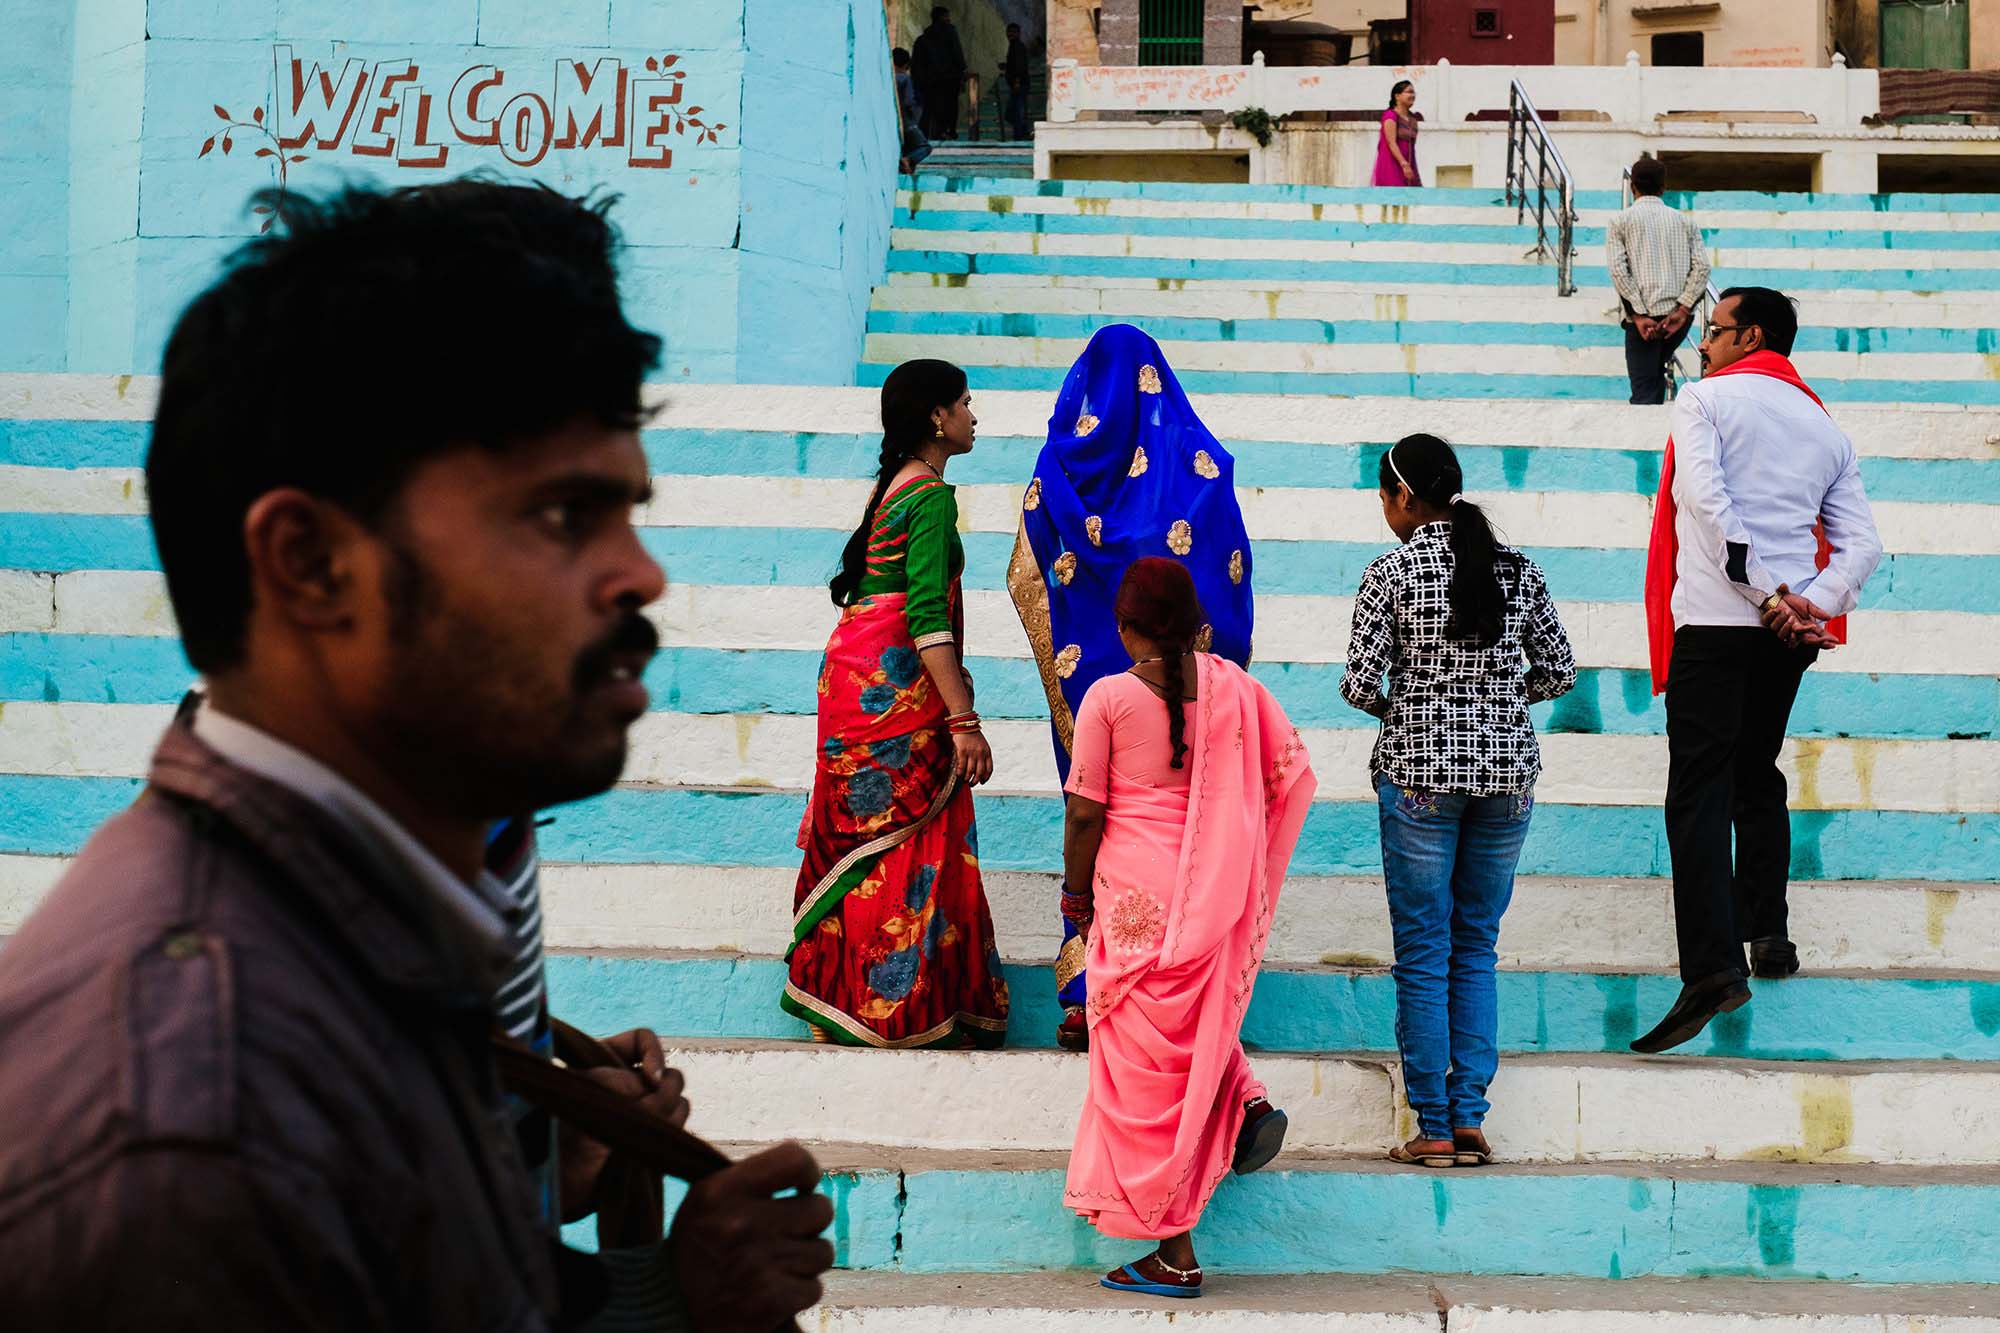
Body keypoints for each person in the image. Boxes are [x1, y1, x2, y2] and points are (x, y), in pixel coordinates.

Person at [0, 182, 835, 1331]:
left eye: (627, 511)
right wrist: (672, 1307)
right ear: (309, 563)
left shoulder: (368, 937)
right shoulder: (190, 1126)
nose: (641, 575)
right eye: (559, 516)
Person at [1633, 287, 1883, 1054]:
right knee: (1755, 770)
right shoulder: (1824, 425)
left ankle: (1712, 967)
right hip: (1784, 635)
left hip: (1718, 618)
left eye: (1713, 331)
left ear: (1753, 336)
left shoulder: (1705, 401)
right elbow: (1862, 546)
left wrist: (1765, 591)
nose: (1701, 344)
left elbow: (1705, 506)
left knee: (1700, 787)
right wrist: (1809, 602)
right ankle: (1768, 931)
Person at [1063, 558, 1314, 1299]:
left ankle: (1175, 1250)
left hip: (1134, 908)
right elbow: (1294, 775)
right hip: (1212, 904)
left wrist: (1074, 894)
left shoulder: (1106, 696)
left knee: (1147, 1080)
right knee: (1195, 1042)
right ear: (1192, 619)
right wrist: (1242, 857)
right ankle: (1245, 1098)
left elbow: (1084, 812)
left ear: (1125, 624)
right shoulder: (1236, 687)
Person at [1008, 324, 1255, 1052]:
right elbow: (1228, 575)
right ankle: (1175, 994)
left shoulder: (1058, 467)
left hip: (1090, 681)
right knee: (1177, 834)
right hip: (1183, 685)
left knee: (1094, 816)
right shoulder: (1200, 466)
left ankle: (1089, 986)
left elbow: (1028, 567)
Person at [1342, 434, 1576, 1170]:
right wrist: (1502, 701)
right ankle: (1471, 1116)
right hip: (1507, 775)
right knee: (1475, 942)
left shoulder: (1392, 572)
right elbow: (1559, 670)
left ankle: (1434, 1124)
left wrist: (1407, 709)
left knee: (1423, 947)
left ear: (1406, 497)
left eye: (1385, 496)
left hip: (1418, 776)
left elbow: (1357, 683)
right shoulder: (1518, 569)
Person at [783, 358, 1010, 1049]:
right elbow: (925, 619)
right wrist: (963, 720)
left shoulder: (896, 489)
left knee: (874, 838)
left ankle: (841, 1004)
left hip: (853, 684)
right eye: (966, 403)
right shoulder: (932, 497)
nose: (975, 415)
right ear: (938, 417)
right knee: (910, 833)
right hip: (894, 693)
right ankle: (893, 1011)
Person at [1606, 156, 1711, 405]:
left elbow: (1619, 271)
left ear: (1633, 187)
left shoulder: (1619, 221)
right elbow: (1702, 268)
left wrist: (1640, 315)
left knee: (1644, 390)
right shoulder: (1685, 222)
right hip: (1676, 320)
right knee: (1653, 381)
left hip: (1640, 320)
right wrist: (1683, 309)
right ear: (1663, 188)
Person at [912, 5, 968, 142]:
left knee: (930, 108)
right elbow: (957, 54)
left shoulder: (923, 38)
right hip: (950, 78)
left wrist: (919, 80)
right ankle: (947, 132)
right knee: (950, 107)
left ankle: (926, 136)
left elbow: (916, 63)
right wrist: (962, 71)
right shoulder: (950, 32)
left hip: (930, 80)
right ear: (942, 17)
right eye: (947, 16)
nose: (949, 19)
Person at [1372, 80, 1420, 186]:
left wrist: (1410, 166)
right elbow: (1391, 143)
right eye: (1409, 92)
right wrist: (1404, 164)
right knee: (1394, 197)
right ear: (1397, 96)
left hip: (1410, 164)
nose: (1413, 95)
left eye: (1413, 93)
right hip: (1393, 165)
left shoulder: (1412, 119)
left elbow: (1412, 146)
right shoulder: (1390, 116)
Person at [893, 46, 933, 172]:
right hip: (907, 121)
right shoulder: (905, 79)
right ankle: (908, 161)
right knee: (924, 147)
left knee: (907, 146)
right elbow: (909, 101)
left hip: (895, 121)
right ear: (906, 65)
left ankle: (906, 165)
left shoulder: (890, 79)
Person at [1002, 22, 1031, 141]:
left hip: (1019, 84)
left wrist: (1017, 81)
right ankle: (1022, 133)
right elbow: (1015, 65)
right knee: (1015, 111)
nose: (1010, 34)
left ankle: (1020, 135)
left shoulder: (1017, 46)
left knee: (1016, 112)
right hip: (1017, 83)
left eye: (1013, 32)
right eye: (1009, 32)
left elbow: (1020, 66)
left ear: (1018, 34)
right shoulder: (1014, 46)